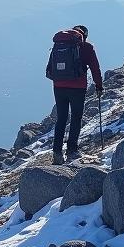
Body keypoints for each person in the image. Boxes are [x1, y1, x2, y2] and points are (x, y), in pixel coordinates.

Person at [46, 25, 103, 165]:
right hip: (78, 87)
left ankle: (57, 152)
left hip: (59, 86)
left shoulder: (58, 45)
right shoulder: (87, 47)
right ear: (84, 35)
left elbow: (49, 68)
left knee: (61, 119)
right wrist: (99, 86)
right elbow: (95, 68)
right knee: (76, 117)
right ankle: (72, 149)